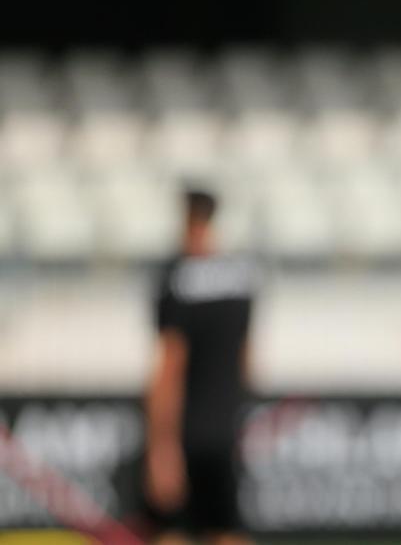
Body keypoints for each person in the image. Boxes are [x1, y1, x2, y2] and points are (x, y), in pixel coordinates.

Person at [145, 189, 256, 545]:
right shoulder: (242, 279)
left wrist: (161, 446)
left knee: (174, 532)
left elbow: (170, 369)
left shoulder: (177, 279)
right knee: (228, 529)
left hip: (186, 433)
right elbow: (247, 365)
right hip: (226, 429)